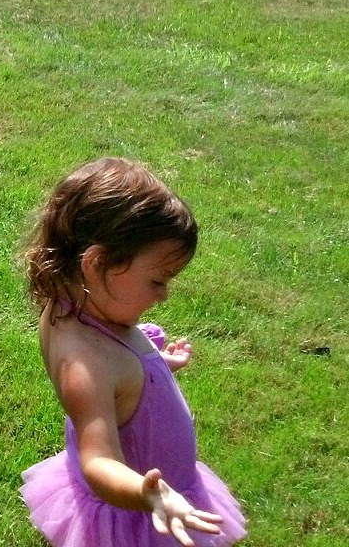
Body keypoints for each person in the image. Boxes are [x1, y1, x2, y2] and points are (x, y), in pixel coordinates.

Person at [20, 157, 246, 547]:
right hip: (139, 514)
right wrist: (149, 493)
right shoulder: (84, 365)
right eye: (157, 280)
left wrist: (155, 367)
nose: (164, 294)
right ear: (96, 263)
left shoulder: (79, 307)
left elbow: (118, 377)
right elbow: (98, 460)